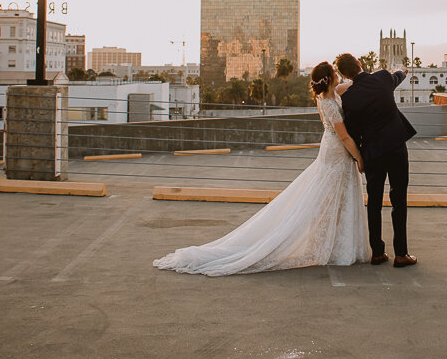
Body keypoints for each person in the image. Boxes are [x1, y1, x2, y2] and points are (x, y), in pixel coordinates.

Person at [152, 62, 367, 276]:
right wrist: (359, 157)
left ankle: (333, 243)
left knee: (334, 198)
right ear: (329, 79)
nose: (339, 76)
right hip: (336, 152)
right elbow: (344, 136)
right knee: (327, 198)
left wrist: (363, 77)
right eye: (334, 74)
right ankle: (327, 245)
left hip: (333, 151)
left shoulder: (329, 95)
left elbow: (349, 86)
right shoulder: (329, 103)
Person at [335, 52, 418, 268]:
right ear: (360, 64)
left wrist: (359, 157)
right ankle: (401, 254)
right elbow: (398, 75)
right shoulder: (382, 78)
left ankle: (378, 252)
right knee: (399, 200)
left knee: (374, 203)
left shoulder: (349, 98)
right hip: (396, 147)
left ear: (345, 76)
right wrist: (402, 71)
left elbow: (352, 132)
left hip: (372, 153)